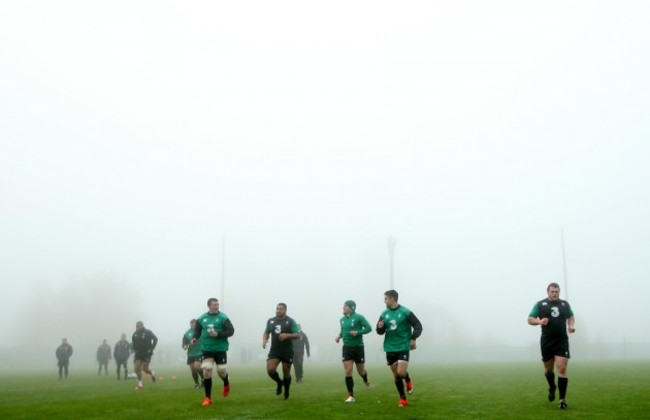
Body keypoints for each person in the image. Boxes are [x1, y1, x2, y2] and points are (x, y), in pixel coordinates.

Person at [528, 282, 576, 409]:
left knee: (561, 368)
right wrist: (539, 321)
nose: (555, 293)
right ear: (548, 292)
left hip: (561, 340)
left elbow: (571, 316)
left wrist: (570, 326)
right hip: (547, 341)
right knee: (549, 370)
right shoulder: (540, 304)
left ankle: (562, 400)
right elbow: (530, 319)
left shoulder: (564, 304)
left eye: (557, 291)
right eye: (552, 291)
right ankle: (552, 387)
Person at [376, 290, 423, 407]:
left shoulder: (405, 311)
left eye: (386, 298)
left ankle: (407, 378)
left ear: (392, 299)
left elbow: (418, 325)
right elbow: (379, 331)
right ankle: (403, 399)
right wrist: (379, 327)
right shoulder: (384, 313)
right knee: (396, 376)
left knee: (401, 372)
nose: (384, 301)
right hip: (389, 347)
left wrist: (413, 338)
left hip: (403, 346)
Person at [191, 298, 235, 407]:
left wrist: (218, 334)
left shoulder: (223, 317)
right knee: (207, 370)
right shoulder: (202, 318)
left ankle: (226, 383)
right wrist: (194, 338)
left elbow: (231, 331)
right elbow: (197, 331)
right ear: (209, 306)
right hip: (207, 349)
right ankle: (207, 398)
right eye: (214, 305)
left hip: (220, 349)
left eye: (217, 304)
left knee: (221, 372)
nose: (217, 306)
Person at [335, 299, 372, 403]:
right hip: (347, 348)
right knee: (348, 371)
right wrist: (339, 336)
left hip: (358, 347)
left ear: (352, 308)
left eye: (345, 306)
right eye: (343, 306)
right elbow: (343, 330)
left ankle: (365, 379)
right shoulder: (342, 319)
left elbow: (369, 328)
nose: (343, 308)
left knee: (361, 371)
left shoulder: (359, 317)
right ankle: (351, 396)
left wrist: (358, 332)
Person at [262, 302, 301, 400]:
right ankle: (279, 382)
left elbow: (298, 335)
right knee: (270, 370)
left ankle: (286, 393)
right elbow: (266, 332)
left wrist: (287, 335)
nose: (278, 311)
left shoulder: (291, 321)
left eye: (280, 309)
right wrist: (264, 340)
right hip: (275, 350)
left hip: (287, 350)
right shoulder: (270, 321)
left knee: (286, 371)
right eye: (277, 308)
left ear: (285, 310)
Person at [131, 321, 158, 390]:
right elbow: (133, 344)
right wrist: (132, 349)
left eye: (139, 326)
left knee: (144, 369)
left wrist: (151, 348)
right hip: (138, 354)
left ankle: (152, 373)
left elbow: (155, 339)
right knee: (137, 367)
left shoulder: (148, 332)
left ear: (142, 326)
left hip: (147, 353)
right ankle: (140, 385)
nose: (137, 328)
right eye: (137, 326)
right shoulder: (135, 334)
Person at [183, 319, 204, 389]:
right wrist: (185, 346)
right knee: (193, 369)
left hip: (200, 352)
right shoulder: (187, 333)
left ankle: (203, 379)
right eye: (191, 324)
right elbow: (184, 344)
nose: (193, 325)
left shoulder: (202, 331)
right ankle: (197, 384)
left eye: (194, 324)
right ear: (190, 325)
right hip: (191, 353)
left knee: (197, 367)